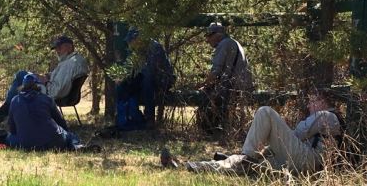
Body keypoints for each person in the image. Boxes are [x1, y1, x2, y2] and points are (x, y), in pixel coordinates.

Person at [186, 88, 343, 173]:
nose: (309, 106)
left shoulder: (327, 115)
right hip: (304, 162)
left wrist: (274, 136)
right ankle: (200, 166)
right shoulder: (328, 118)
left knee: (265, 112)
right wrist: (268, 149)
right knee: (252, 165)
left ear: (323, 102)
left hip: (308, 160)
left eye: (312, 102)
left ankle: (246, 155)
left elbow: (299, 132)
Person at [0, 35, 89, 122]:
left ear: (69, 47)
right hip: (53, 89)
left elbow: (56, 91)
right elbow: (60, 78)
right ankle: (6, 110)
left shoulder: (71, 63)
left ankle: (5, 111)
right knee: (24, 76)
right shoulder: (71, 61)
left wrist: (46, 81)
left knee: (21, 76)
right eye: (56, 48)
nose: (57, 50)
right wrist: (47, 76)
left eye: (60, 47)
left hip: (50, 92)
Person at [196, 22, 254, 133]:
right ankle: (227, 132)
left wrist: (204, 85)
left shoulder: (224, 44)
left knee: (206, 100)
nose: (207, 40)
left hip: (232, 87)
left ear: (217, 35)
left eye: (209, 36)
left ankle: (212, 133)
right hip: (242, 87)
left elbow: (215, 71)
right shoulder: (234, 42)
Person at [115, 27, 175, 130]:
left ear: (138, 39)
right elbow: (130, 67)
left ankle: (149, 119)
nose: (130, 43)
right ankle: (130, 118)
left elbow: (151, 69)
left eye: (131, 40)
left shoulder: (154, 47)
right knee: (123, 85)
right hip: (147, 78)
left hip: (163, 79)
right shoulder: (135, 50)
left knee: (147, 79)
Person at [5, 73, 82, 150]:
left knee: (9, 137)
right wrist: (66, 133)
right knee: (70, 135)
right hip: (52, 142)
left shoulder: (14, 100)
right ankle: (76, 145)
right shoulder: (47, 99)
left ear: (22, 86)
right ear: (38, 86)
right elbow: (60, 122)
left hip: (25, 144)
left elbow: (12, 127)